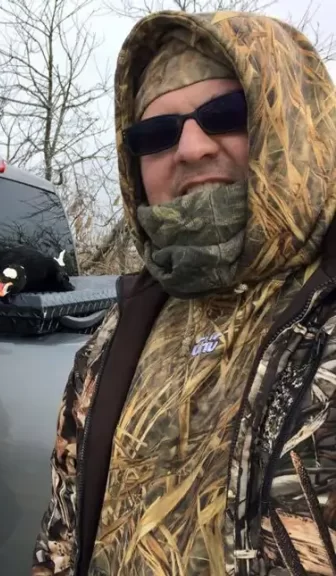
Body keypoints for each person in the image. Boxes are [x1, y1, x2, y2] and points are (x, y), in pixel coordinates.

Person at [32, 10, 336, 576]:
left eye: (227, 113)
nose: (191, 147)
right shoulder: (114, 336)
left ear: (295, 122)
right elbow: (59, 542)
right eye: (156, 133)